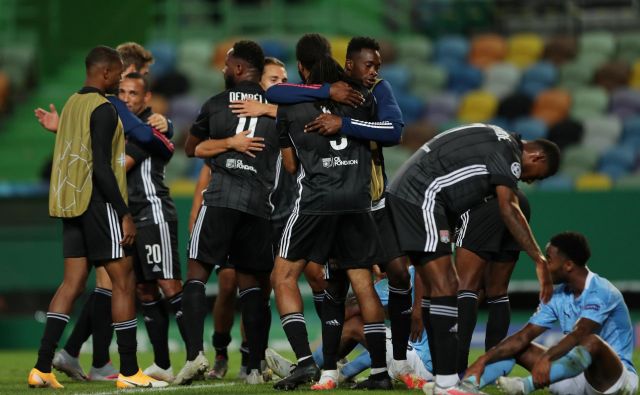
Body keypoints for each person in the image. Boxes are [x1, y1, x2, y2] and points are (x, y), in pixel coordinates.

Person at [266, 36, 422, 388]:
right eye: (370, 65)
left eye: (377, 66)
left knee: (391, 275)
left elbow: (395, 131)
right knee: (350, 283)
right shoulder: (349, 95)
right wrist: (328, 94)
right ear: (346, 64)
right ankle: (356, 369)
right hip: (358, 201)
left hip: (359, 201)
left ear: (303, 67)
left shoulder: (373, 92)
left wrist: (341, 122)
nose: (375, 72)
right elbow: (278, 94)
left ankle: (373, 363)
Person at [33, 43, 175, 383]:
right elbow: (101, 165)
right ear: (107, 73)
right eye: (118, 75)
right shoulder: (104, 107)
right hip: (100, 205)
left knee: (71, 284)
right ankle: (129, 370)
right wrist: (123, 212)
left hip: (71, 205)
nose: (120, 82)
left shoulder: (73, 104)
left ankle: (40, 368)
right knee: (124, 281)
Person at [386, 123, 560, 393]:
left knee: (443, 285)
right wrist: (539, 258)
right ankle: (448, 381)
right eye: (537, 176)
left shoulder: (496, 136)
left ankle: (444, 378)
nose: (528, 181)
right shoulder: (508, 151)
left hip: (414, 194)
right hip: (425, 197)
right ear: (537, 157)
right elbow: (507, 205)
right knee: (450, 284)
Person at [177, 40, 280, 385]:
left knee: (195, 277)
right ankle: (255, 367)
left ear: (239, 69)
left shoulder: (217, 105)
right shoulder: (279, 108)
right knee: (253, 288)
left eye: (227, 64)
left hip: (221, 199)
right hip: (259, 207)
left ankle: (195, 357)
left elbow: (191, 149)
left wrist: (225, 145)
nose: (222, 69)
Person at [454, 232, 638, 395]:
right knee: (518, 345)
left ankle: (525, 386)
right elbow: (523, 336)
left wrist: (546, 357)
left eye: (548, 259)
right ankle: (466, 388)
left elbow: (580, 333)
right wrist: (482, 360)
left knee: (591, 341)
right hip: (573, 373)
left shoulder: (602, 291)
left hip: (612, 381)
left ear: (568, 265)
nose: (544, 265)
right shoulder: (556, 295)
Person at [117, 72, 184, 382]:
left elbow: (120, 166)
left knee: (169, 285)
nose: (127, 98)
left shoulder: (149, 127)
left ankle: (196, 354)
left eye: (133, 93)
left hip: (153, 211)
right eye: (122, 92)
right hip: (129, 215)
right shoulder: (120, 126)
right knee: (144, 289)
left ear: (145, 99)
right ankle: (163, 363)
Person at [267, 266, 433, 388]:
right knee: (375, 332)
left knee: (355, 323)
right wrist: (345, 374)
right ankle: (328, 371)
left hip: (418, 367)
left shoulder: (394, 280)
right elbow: (379, 348)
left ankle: (306, 367)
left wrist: (355, 293)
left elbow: (345, 314)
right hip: (434, 370)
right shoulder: (423, 274)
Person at [455, 190, 531, 373]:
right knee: (498, 291)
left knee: (466, 286)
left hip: (480, 202)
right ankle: (493, 369)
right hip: (518, 201)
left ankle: (457, 368)